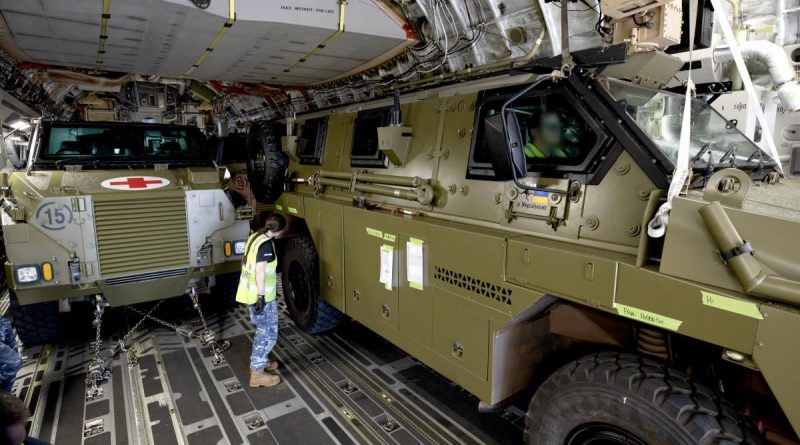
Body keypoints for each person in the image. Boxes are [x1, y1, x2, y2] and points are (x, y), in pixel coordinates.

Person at [236, 215, 281, 388]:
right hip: (261, 298)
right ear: (278, 230)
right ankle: (257, 373)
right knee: (267, 334)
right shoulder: (266, 245)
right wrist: (261, 297)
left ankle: (261, 362)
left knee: (263, 330)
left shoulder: (255, 237)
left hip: (251, 294)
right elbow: (260, 273)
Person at [0, 316, 22, 393]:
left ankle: (6, 392)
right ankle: (4, 394)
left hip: (2, 321)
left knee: (13, 349)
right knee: (13, 363)